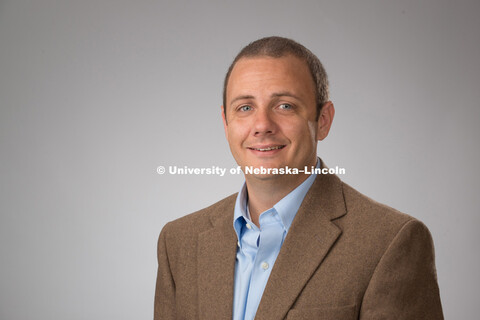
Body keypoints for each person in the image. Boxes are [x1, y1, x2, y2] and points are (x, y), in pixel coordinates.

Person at [154, 36, 443, 319]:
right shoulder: (179, 241)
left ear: (323, 120)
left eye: (285, 106)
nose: (262, 125)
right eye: (245, 107)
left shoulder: (390, 242)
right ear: (226, 122)